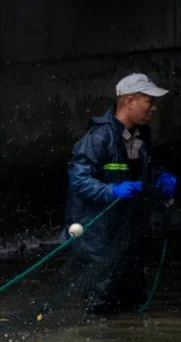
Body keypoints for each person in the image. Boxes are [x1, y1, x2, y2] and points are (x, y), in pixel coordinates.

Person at [65, 72, 177, 312]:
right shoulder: (98, 137)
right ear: (130, 101)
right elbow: (79, 179)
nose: (154, 108)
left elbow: (143, 170)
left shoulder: (141, 135)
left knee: (131, 298)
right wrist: (111, 190)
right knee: (100, 303)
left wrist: (160, 177)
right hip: (99, 239)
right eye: (149, 101)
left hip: (129, 233)